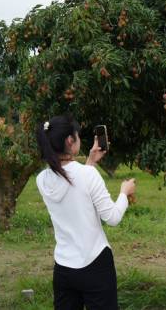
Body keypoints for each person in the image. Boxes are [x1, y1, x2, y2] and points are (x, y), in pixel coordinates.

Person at [35, 114, 136, 310]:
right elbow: (112, 218)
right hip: (95, 264)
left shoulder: (42, 180)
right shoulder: (87, 175)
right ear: (70, 141)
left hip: (64, 268)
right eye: (78, 136)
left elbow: (74, 186)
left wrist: (90, 162)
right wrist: (124, 192)